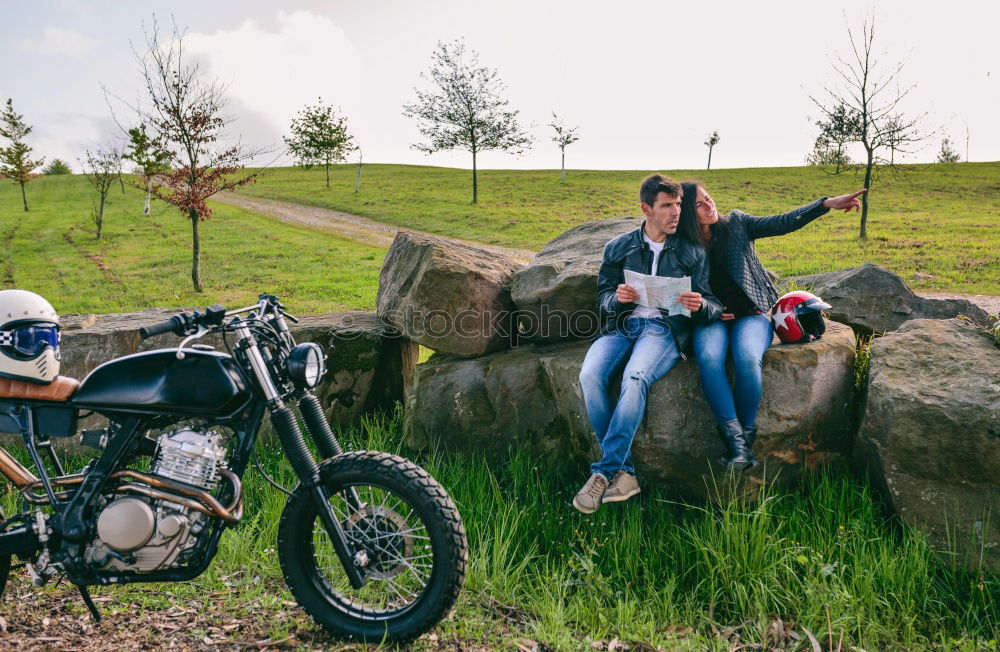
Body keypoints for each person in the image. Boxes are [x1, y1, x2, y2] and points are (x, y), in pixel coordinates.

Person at [676, 182, 866, 470]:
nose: (709, 205)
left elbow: (782, 222)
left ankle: (744, 440)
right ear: (686, 213)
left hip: (749, 316)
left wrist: (825, 204)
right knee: (710, 359)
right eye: (699, 204)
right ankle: (738, 446)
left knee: (748, 359)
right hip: (709, 319)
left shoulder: (737, 224)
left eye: (709, 198)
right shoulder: (680, 245)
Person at [573, 174, 723, 513]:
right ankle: (625, 473)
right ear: (646, 209)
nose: (675, 213)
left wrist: (701, 305)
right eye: (667, 206)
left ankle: (604, 473)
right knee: (590, 375)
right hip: (622, 327)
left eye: (678, 205)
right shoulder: (618, 247)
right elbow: (602, 299)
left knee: (635, 377)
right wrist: (617, 298)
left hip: (662, 330)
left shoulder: (690, 251)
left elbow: (714, 304)